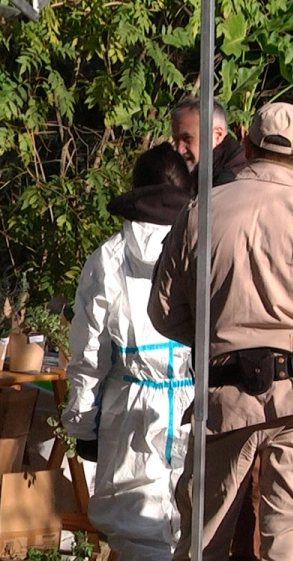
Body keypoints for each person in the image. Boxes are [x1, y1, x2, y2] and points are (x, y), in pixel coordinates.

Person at [149, 102, 293, 561]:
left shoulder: (200, 213)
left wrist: (220, 333)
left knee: (202, 543)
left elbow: (163, 312)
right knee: (287, 546)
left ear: (247, 142)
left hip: (225, 396)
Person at [62, 142, 195, 561]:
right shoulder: (205, 247)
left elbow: (89, 354)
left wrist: (83, 424)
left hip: (131, 407)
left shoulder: (109, 257)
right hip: (195, 403)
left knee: (136, 526)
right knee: (194, 522)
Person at [170, 97, 247, 191]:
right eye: (175, 140)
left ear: (217, 135)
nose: (179, 149)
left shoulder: (234, 178)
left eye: (187, 139)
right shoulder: (202, 172)